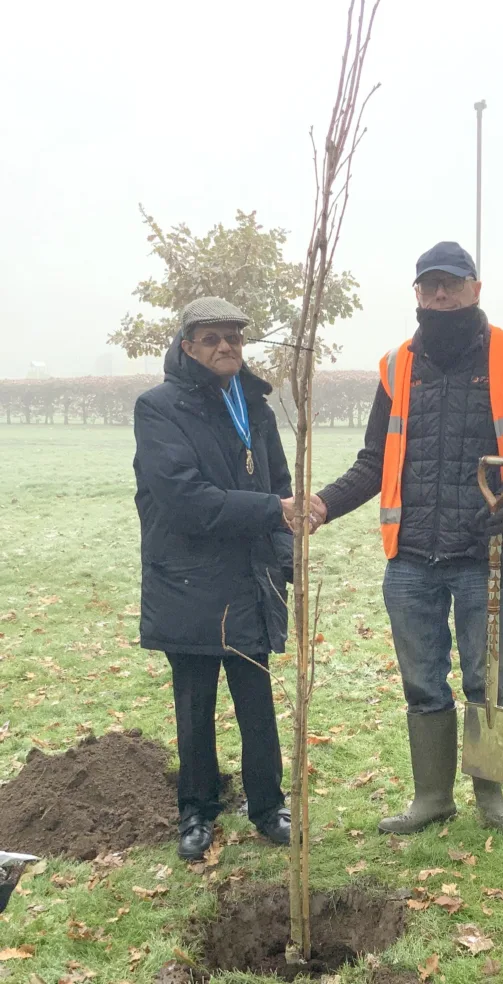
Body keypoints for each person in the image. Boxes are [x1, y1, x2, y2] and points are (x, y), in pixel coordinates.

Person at [287, 242, 503, 836]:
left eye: (452, 284)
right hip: (411, 557)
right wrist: (321, 505)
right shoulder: (397, 366)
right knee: (422, 682)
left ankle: (490, 795)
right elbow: (372, 461)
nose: (441, 295)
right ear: (417, 293)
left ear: (475, 289)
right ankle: (432, 797)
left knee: (484, 679)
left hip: (483, 554)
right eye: (430, 285)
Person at [133, 297, 294, 860]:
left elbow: (280, 488)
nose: (225, 345)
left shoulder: (254, 403)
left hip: (250, 579)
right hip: (189, 583)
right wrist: (275, 513)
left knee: (256, 699)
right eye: (210, 337)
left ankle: (268, 805)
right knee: (195, 706)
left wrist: (286, 559)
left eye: (233, 336)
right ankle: (196, 813)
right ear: (186, 347)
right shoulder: (158, 409)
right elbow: (184, 502)